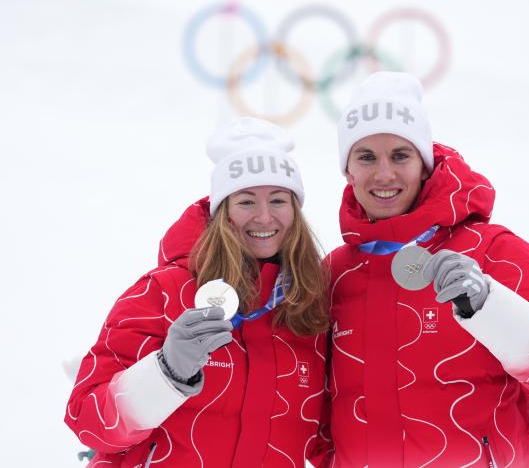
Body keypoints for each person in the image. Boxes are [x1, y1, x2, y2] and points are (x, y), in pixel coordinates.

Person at [313, 72, 529, 467]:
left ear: (425, 165)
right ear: (348, 171)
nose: (384, 174)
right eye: (366, 156)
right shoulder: (336, 274)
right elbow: (310, 408)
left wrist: (493, 310)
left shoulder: (494, 251)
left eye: (401, 155)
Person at [65, 117, 330, 467]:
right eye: (246, 201)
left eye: (279, 200)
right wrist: (166, 373)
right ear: (222, 212)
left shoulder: (308, 306)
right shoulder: (162, 292)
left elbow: (332, 438)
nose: (264, 217)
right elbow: (88, 420)